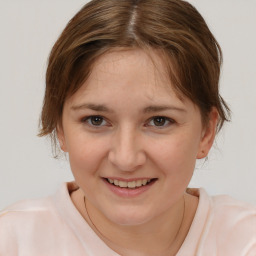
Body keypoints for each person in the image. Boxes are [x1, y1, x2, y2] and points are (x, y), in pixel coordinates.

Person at [0, 0, 255, 255]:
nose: (126, 159)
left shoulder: (246, 242)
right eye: (96, 120)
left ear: (206, 133)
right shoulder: (13, 242)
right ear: (61, 129)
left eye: (159, 121)